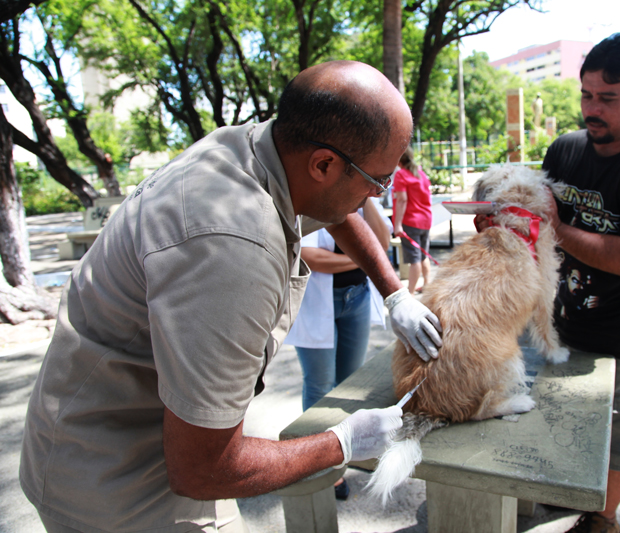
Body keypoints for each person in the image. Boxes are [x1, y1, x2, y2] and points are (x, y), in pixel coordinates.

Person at [19, 61, 443, 532]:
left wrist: (393, 294)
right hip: (116, 481)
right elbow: (203, 469)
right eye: (376, 181)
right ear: (324, 164)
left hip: (147, 437)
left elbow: (336, 207)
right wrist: (343, 441)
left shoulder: (266, 147)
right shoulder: (232, 251)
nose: (377, 195)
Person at [477, 33, 620, 533]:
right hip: (558, 323)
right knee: (541, 419)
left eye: (608, 99)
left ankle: (602, 517)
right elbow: (537, 225)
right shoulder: (567, 149)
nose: (592, 110)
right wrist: (502, 220)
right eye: (586, 95)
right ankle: (544, 493)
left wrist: (552, 227)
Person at [284, 197, 391, 500]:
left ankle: (345, 449)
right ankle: (320, 463)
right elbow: (310, 256)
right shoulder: (313, 197)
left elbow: (382, 242)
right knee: (320, 385)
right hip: (317, 300)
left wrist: (367, 197)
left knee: (349, 383)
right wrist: (361, 258)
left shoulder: (364, 197)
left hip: (355, 297)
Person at [392, 146, 433, 294]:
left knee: (414, 259)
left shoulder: (401, 175)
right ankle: (427, 284)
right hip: (425, 220)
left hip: (410, 221)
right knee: (423, 255)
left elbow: (402, 200)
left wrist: (397, 225)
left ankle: (410, 292)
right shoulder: (420, 173)